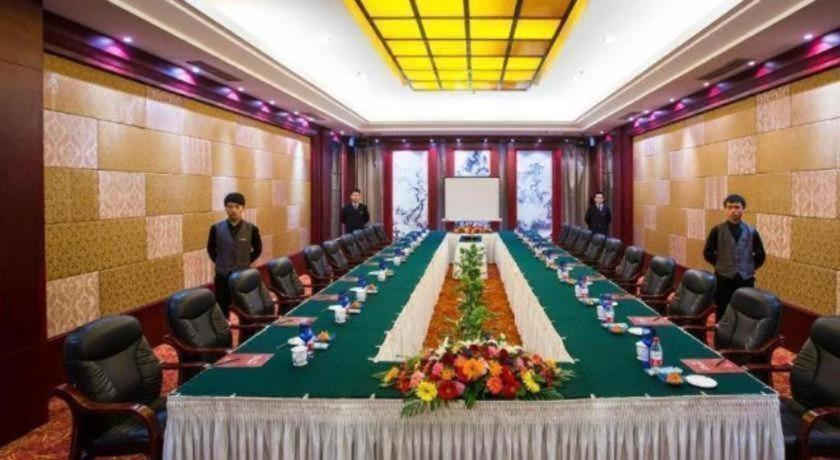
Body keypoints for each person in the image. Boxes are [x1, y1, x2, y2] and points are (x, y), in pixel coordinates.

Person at [703, 194, 766, 321]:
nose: (733, 210)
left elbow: (760, 255)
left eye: (737, 207)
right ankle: (720, 334)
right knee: (722, 311)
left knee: (745, 311)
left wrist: (749, 267)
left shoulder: (752, 231)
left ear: (743, 209)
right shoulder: (717, 230)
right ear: (725, 209)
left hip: (745, 279)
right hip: (723, 279)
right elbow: (708, 252)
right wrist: (720, 264)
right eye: (729, 207)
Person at [207, 192, 262, 317]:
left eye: (237, 207)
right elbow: (211, 249)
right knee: (222, 307)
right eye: (230, 207)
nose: (233, 210)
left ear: (243, 208)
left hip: (243, 275)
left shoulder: (252, 228)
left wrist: (246, 261)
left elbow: (258, 249)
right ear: (225, 208)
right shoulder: (215, 228)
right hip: (222, 275)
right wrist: (221, 261)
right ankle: (225, 328)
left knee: (246, 307)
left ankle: (247, 329)